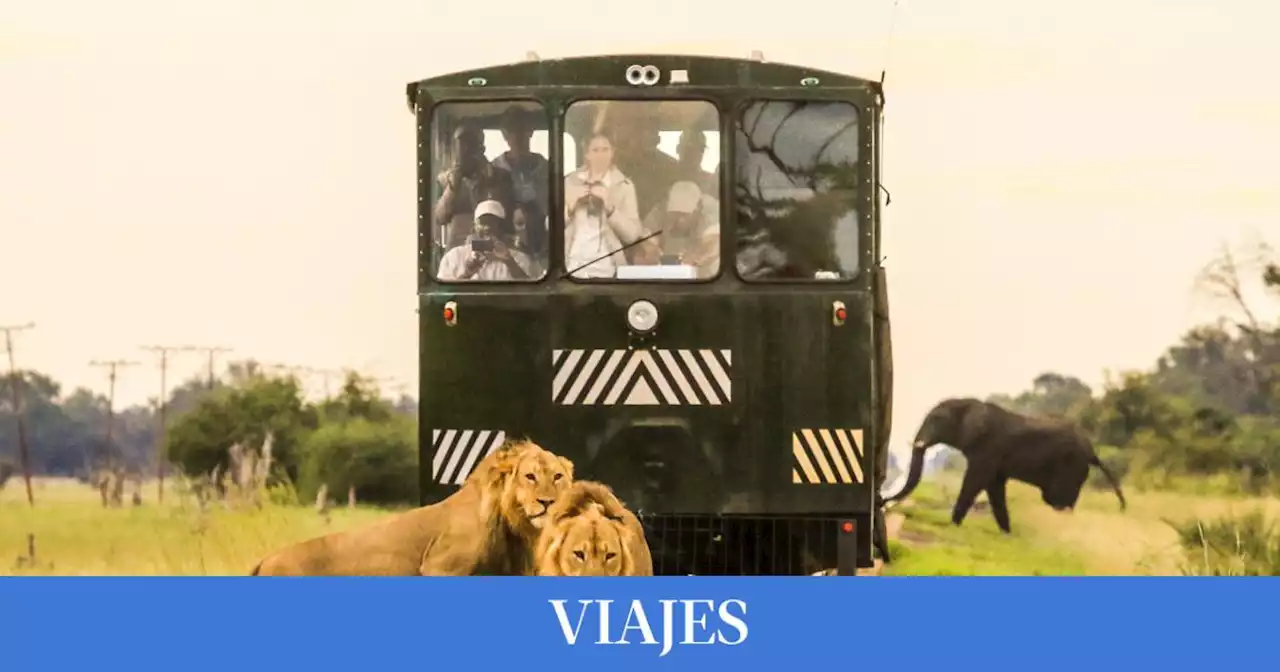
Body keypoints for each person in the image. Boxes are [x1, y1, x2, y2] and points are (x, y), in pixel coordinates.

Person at [563, 131, 643, 279]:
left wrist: (611, 209)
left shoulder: (624, 186)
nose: (600, 155)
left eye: (605, 150)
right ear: (587, 154)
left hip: (607, 271)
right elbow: (549, 227)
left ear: (612, 153)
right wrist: (569, 207)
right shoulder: (569, 182)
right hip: (571, 269)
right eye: (595, 150)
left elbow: (633, 235)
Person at [433, 122, 516, 250]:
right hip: (458, 253)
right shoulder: (444, 180)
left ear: (481, 149)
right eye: (459, 148)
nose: (464, 154)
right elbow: (440, 218)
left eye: (470, 148)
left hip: (493, 249)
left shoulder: (501, 177)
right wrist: (452, 188)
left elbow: (507, 217)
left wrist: (488, 180)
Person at [491, 106, 550, 256]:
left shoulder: (546, 168)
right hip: (504, 242)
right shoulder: (493, 169)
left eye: (522, 129)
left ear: (531, 131)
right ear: (504, 134)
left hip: (541, 241)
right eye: (511, 130)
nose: (517, 136)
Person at [436, 200, 540, 281]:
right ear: (474, 227)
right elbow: (444, 295)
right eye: (483, 223)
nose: (487, 228)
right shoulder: (454, 257)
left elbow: (532, 293)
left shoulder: (519, 258)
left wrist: (510, 262)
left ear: (502, 228)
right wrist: (466, 274)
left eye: (493, 223)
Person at [638, 181, 720, 279]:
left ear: (697, 208)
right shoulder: (660, 210)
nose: (680, 220)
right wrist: (651, 252)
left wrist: (697, 256)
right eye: (676, 214)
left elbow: (714, 243)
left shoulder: (709, 209)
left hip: (709, 274)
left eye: (685, 215)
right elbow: (646, 240)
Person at [675, 129, 717, 194]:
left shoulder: (710, 181)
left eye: (700, 149)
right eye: (689, 148)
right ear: (678, 149)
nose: (695, 153)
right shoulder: (666, 177)